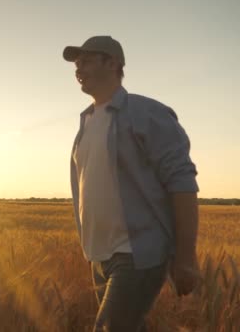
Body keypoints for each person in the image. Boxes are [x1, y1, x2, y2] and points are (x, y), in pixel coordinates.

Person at [64, 36, 201, 331]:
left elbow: (182, 183)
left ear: (113, 63)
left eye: (86, 60)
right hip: (99, 257)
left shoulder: (147, 113)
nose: (78, 68)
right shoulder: (86, 123)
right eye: (76, 64)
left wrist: (186, 258)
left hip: (137, 253)